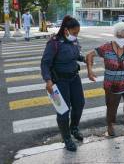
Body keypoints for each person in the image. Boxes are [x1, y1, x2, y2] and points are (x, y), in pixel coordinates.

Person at [86, 22, 124, 145]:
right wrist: (89, 70)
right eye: (120, 36)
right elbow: (89, 55)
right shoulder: (106, 47)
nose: (122, 39)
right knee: (111, 107)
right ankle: (110, 125)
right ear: (115, 35)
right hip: (112, 85)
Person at [40, 15, 86, 152]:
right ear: (66, 30)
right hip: (58, 82)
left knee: (79, 104)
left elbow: (75, 55)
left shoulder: (73, 41)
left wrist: (84, 58)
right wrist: (48, 80)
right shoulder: (54, 43)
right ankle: (66, 138)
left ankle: (74, 128)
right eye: (74, 33)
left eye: (78, 33)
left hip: (74, 78)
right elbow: (45, 63)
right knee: (63, 112)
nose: (76, 35)